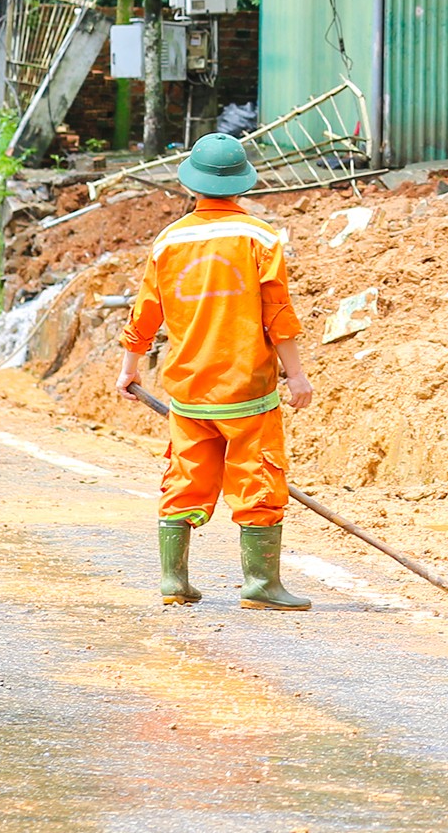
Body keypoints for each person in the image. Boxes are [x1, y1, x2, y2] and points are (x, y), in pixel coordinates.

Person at [118, 132, 316, 611]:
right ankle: (260, 585)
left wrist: (129, 368)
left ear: (193, 185)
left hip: (189, 391)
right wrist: (296, 376)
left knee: (186, 478)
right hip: (247, 390)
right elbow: (277, 315)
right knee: (259, 478)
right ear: (240, 184)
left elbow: (146, 312)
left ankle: (173, 582)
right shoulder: (261, 237)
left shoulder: (169, 240)